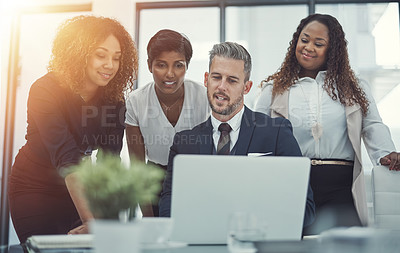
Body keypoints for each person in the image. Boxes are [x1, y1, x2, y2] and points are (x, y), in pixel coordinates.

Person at [254, 13, 400, 234]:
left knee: (348, 247)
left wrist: (386, 152)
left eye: (318, 43)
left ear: (332, 50)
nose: (308, 47)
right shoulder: (273, 90)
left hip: (341, 187)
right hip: (293, 185)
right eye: (304, 40)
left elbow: (372, 125)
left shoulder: (354, 87)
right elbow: (257, 137)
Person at [8, 15, 138, 243]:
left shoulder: (114, 101)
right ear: (79, 54)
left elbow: (109, 162)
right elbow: (67, 158)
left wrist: (107, 221)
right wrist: (92, 223)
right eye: (101, 55)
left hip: (81, 190)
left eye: (116, 58)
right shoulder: (44, 90)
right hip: (35, 188)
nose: (110, 65)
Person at [159, 41, 315, 227]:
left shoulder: (277, 133)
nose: (222, 87)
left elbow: (304, 208)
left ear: (246, 87)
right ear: (206, 79)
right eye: (217, 77)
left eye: (232, 80)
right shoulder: (183, 142)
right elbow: (169, 207)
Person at [125, 29, 209, 217]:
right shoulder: (136, 101)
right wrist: (148, 218)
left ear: (187, 66)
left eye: (178, 65)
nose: (170, 74)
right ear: (149, 65)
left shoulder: (204, 98)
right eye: (161, 65)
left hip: (196, 178)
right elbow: (138, 169)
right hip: (154, 182)